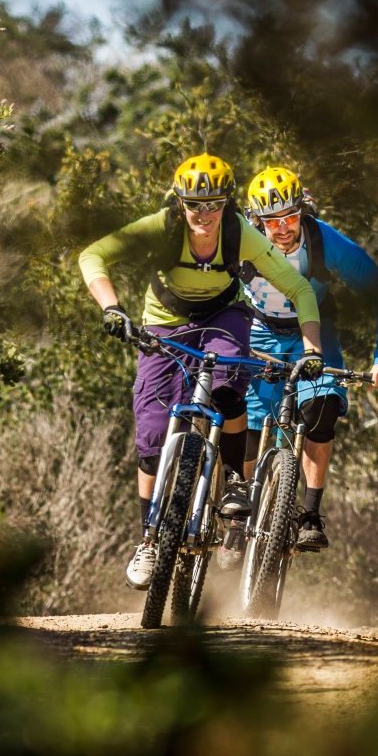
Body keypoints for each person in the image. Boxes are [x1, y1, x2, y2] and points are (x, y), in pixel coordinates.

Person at [78, 153, 325, 591]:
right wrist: (112, 308)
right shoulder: (162, 227)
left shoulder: (239, 234)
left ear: (228, 203)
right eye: (195, 205)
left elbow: (299, 287)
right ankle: (149, 539)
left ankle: (232, 480)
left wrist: (311, 348)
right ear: (180, 203)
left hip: (224, 316)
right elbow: (93, 256)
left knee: (230, 388)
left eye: (214, 205)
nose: (204, 215)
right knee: (152, 437)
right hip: (165, 322)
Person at [237, 166, 378, 554]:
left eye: (290, 217)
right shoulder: (240, 241)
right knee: (243, 420)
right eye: (271, 222)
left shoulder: (324, 242)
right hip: (260, 329)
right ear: (256, 221)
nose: (283, 229)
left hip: (316, 330)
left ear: (303, 211)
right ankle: (241, 510)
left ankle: (309, 513)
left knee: (322, 407)